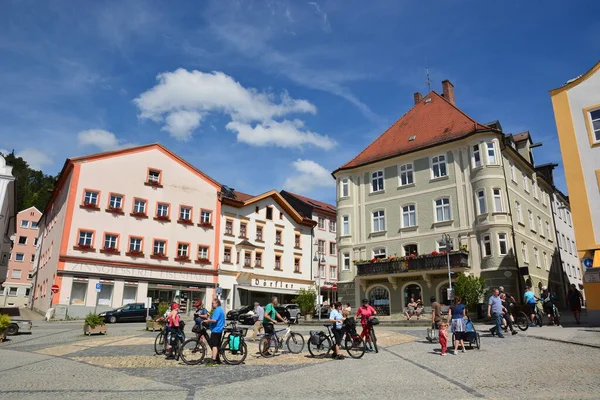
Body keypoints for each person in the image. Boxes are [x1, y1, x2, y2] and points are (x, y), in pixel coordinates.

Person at [205, 298, 225, 366]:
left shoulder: (217, 310)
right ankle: (217, 359)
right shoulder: (219, 309)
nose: (212, 304)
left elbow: (215, 320)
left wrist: (208, 321)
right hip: (218, 329)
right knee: (217, 344)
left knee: (214, 345)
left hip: (216, 329)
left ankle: (213, 360)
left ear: (217, 303)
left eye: (213, 303)